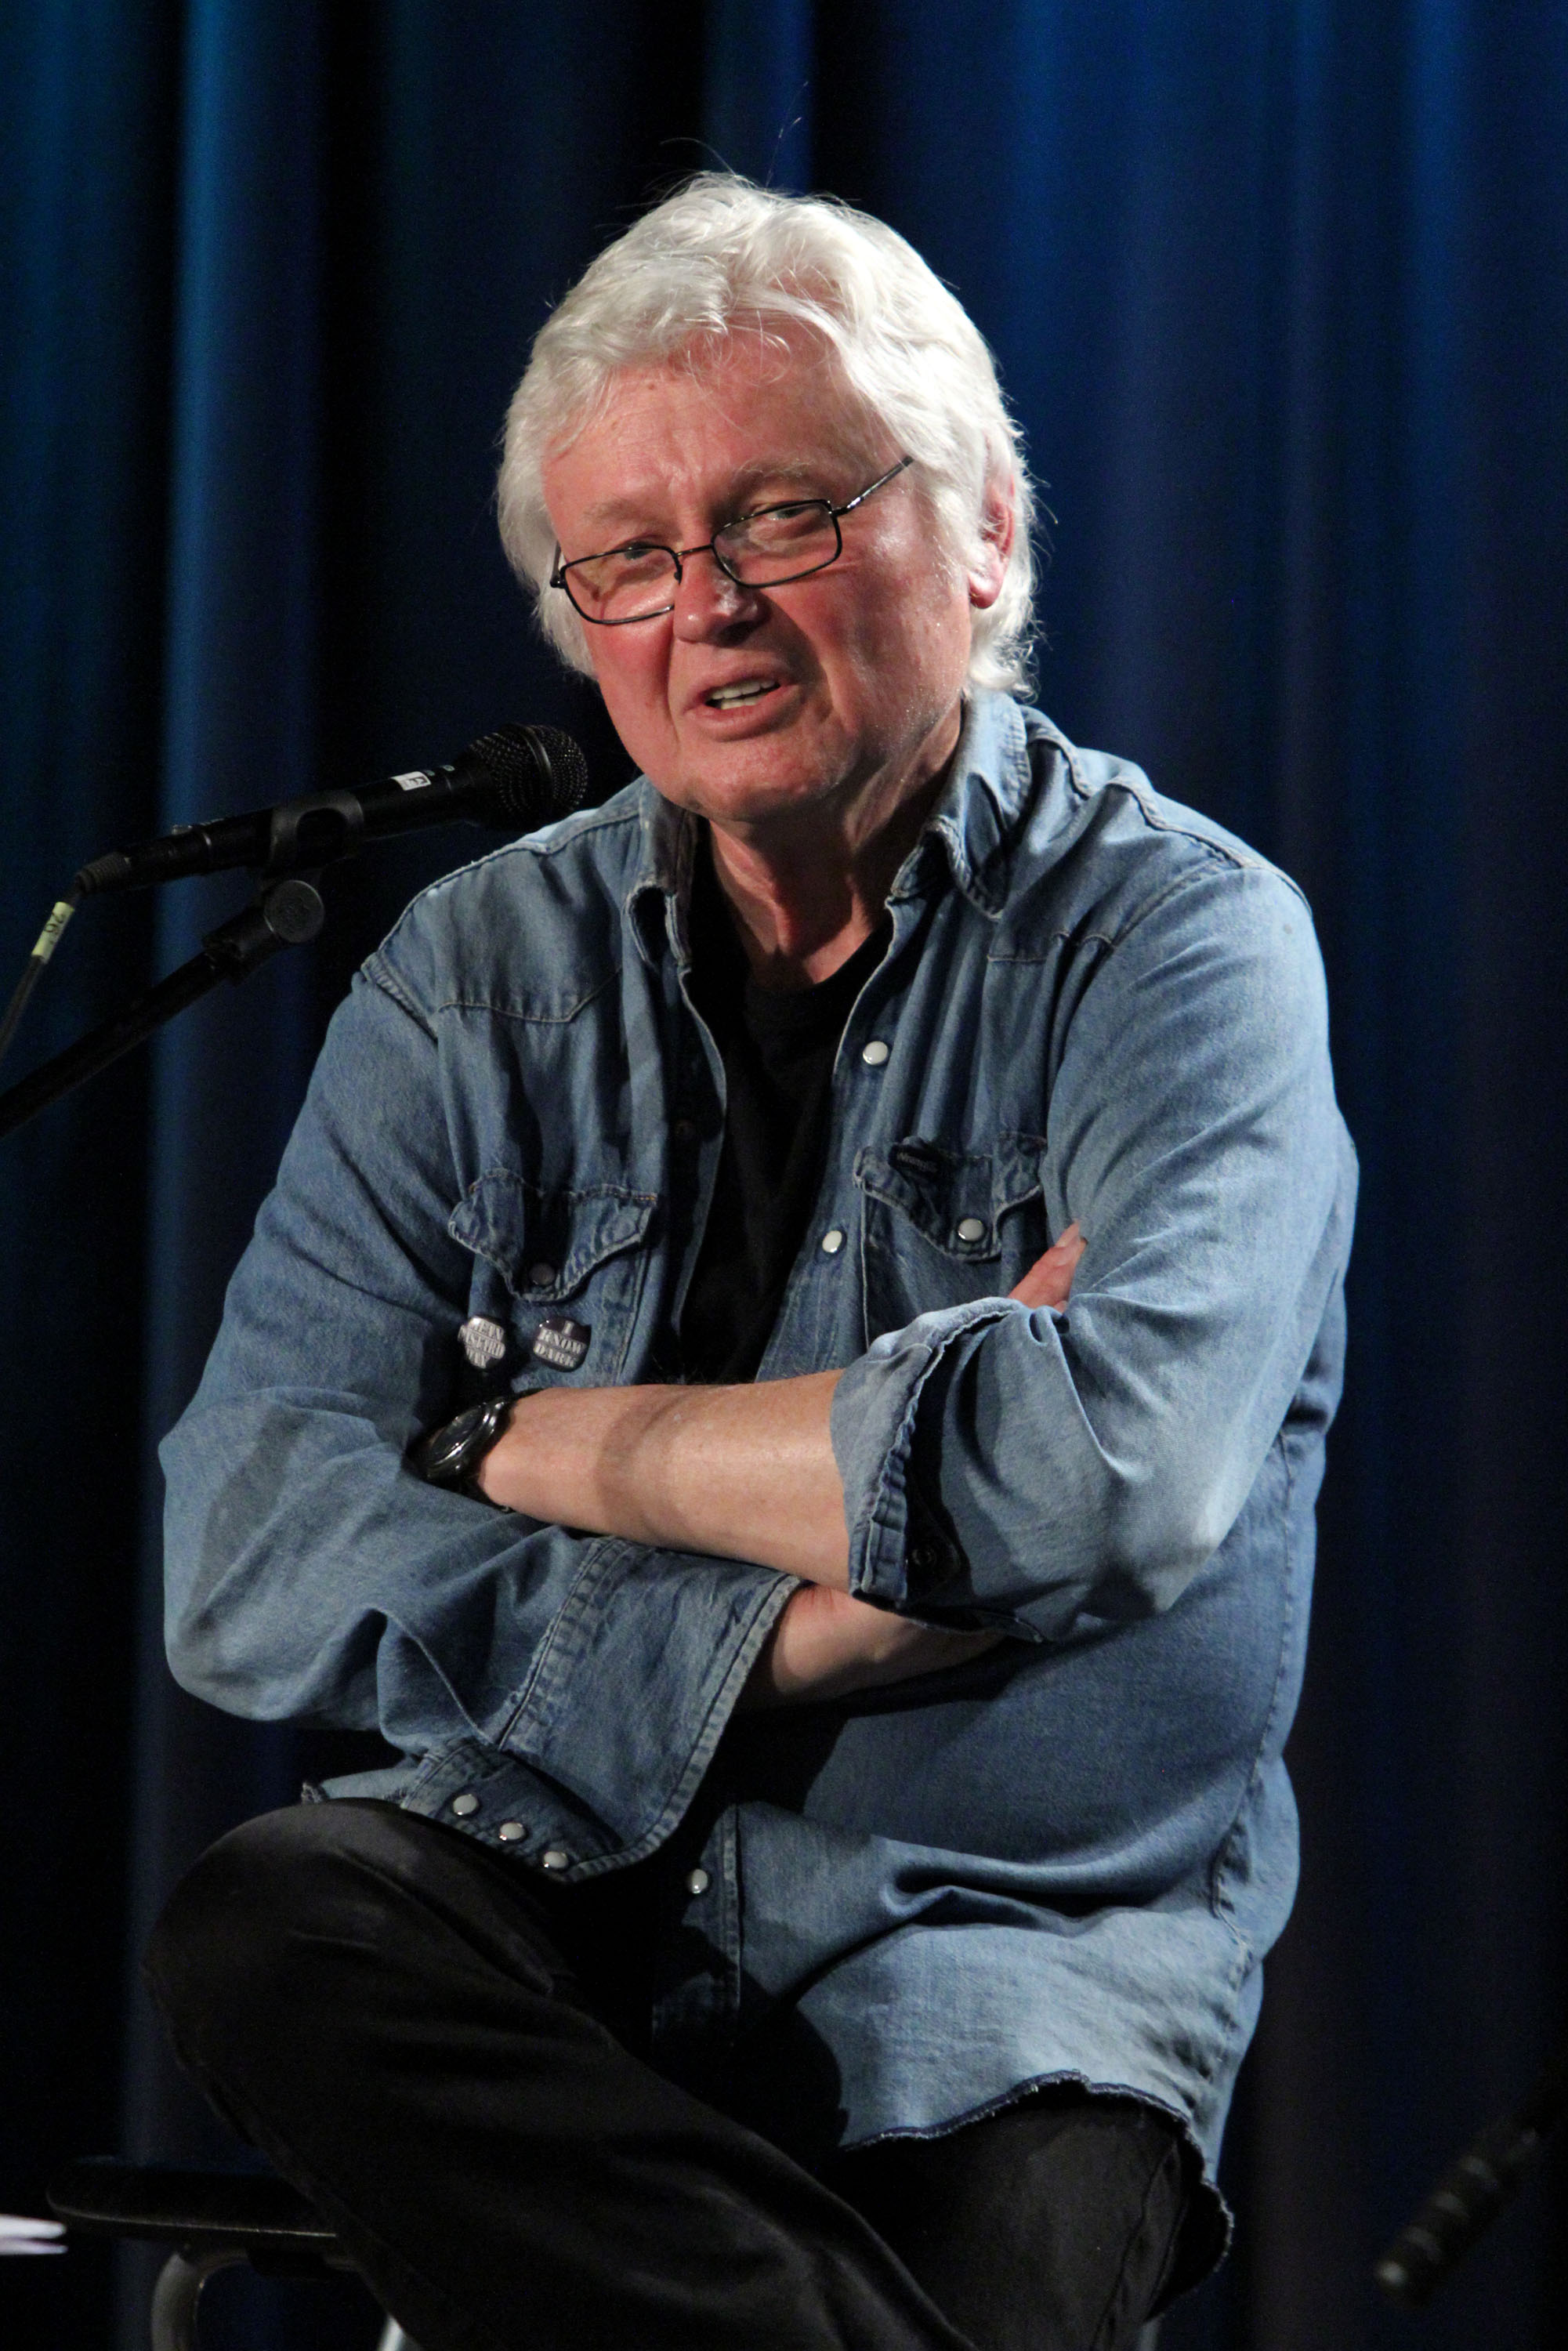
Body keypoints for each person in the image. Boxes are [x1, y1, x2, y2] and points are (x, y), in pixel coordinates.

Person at [147, 176, 1356, 2351]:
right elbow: (244, 1541)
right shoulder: (470, 974)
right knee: (272, 1925)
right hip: (541, 1876)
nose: (704, 610)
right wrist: (792, 1632)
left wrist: (536, 1442)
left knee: (994, 2244)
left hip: (997, 1947)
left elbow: (1114, 1480)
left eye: (784, 518)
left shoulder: (1181, 941)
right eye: (625, 558)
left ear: (981, 533)